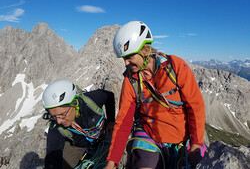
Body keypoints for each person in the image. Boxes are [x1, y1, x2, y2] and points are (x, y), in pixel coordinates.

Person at [105, 21, 206, 169]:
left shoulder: (175, 66)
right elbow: (123, 122)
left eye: (130, 57)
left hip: (183, 138)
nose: (125, 63)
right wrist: (112, 161)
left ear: (145, 50)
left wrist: (196, 143)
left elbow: (195, 105)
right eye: (123, 58)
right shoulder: (131, 80)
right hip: (149, 136)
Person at [42, 79, 115, 169]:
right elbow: (52, 157)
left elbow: (109, 96)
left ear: (74, 103)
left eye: (62, 114)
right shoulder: (56, 128)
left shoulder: (91, 101)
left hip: (104, 133)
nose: (59, 121)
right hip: (81, 145)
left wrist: (111, 120)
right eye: (54, 116)